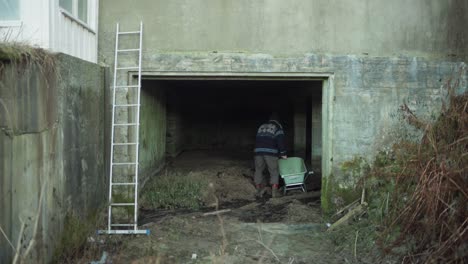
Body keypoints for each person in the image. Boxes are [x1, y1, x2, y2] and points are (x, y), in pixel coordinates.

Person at [253, 112, 287, 198]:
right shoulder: (277, 127)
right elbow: (280, 142)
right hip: (270, 152)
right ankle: (274, 193)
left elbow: (257, 139)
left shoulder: (261, 126)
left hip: (258, 151)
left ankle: (258, 190)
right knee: (274, 171)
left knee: (258, 170)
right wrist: (283, 153)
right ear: (278, 121)